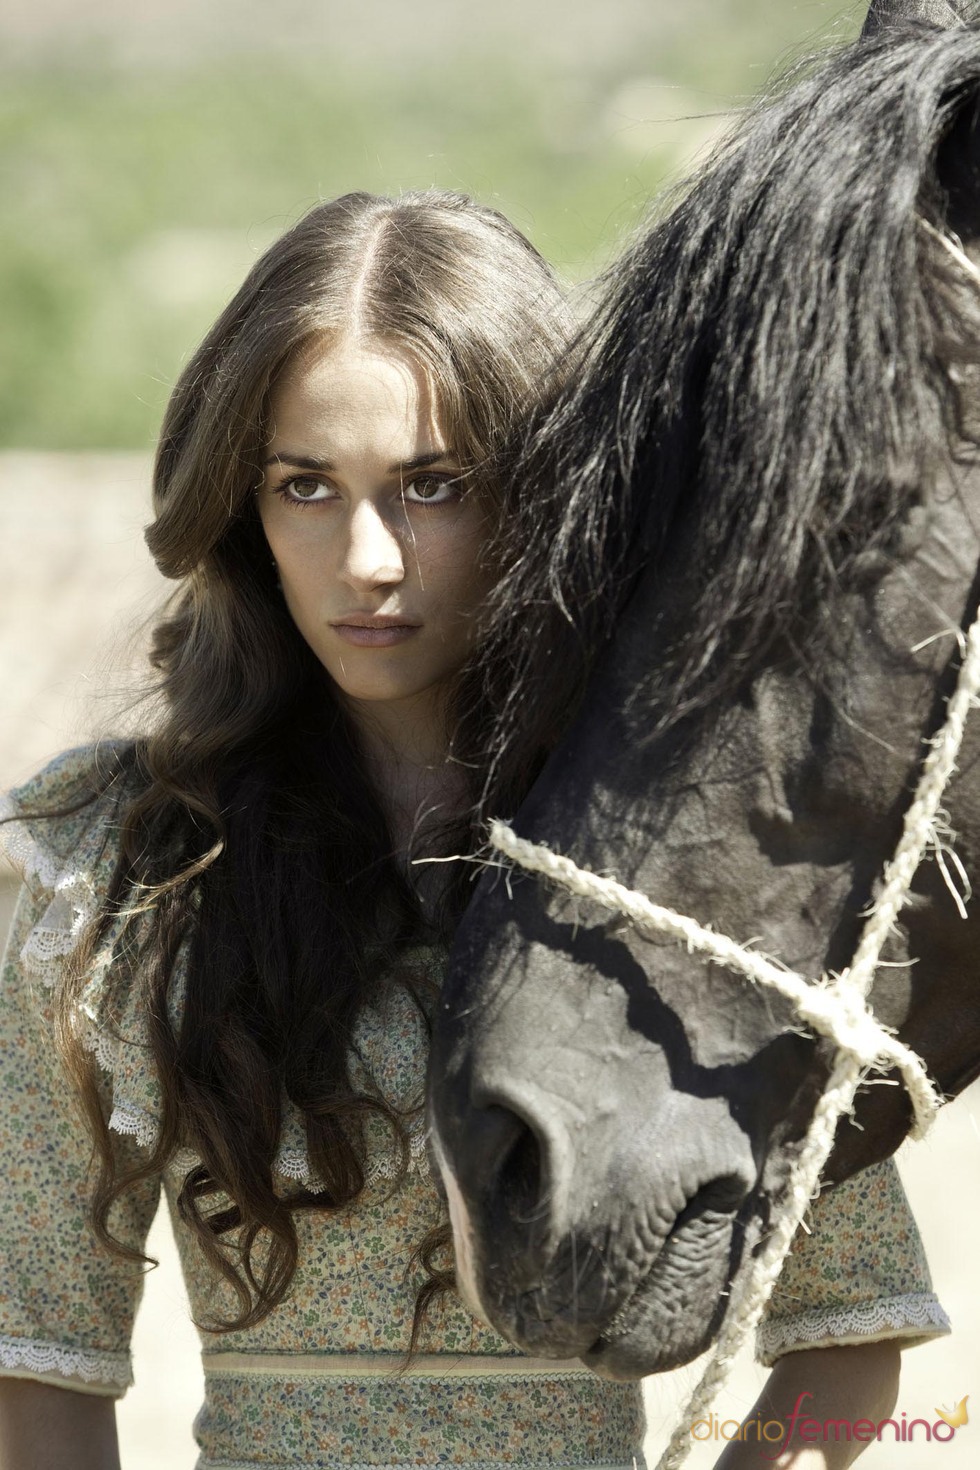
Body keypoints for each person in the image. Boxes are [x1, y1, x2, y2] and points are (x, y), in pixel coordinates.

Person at [0, 189, 950, 1470]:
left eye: (435, 486)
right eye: (306, 486)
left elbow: (847, 1335)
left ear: (544, 495)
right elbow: (36, 1361)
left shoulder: (680, 868)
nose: (369, 557)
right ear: (243, 508)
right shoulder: (110, 861)